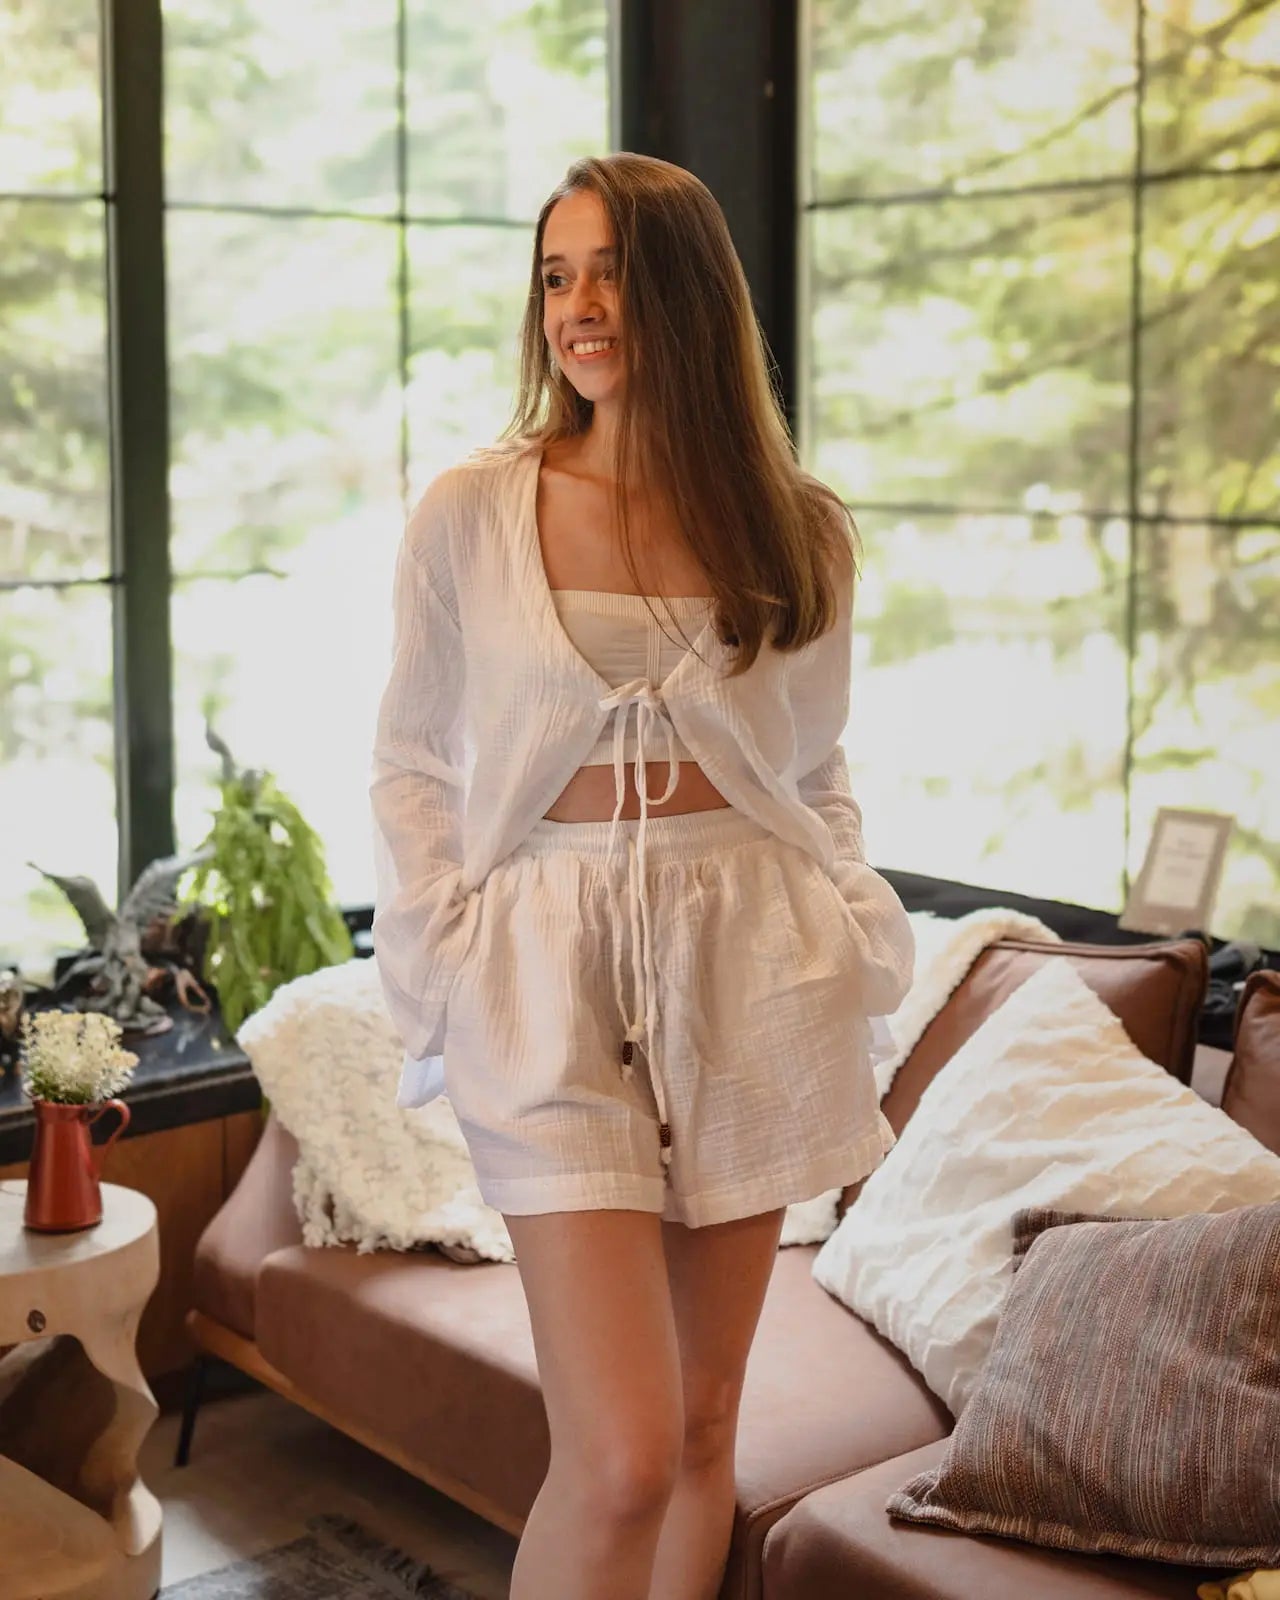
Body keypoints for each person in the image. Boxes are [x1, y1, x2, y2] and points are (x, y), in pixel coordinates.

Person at [369, 152, 915, 1600]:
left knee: (701, 1427)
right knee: (615, 1453)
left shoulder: (795, 525)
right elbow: (412, 760)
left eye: (608, 270)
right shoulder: (474, 510)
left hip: (753, 950)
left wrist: (849, 915)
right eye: (555, 275)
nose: (577, 305)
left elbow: (814, 769)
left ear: (685, 292)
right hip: (542, 957)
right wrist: (449, 941)